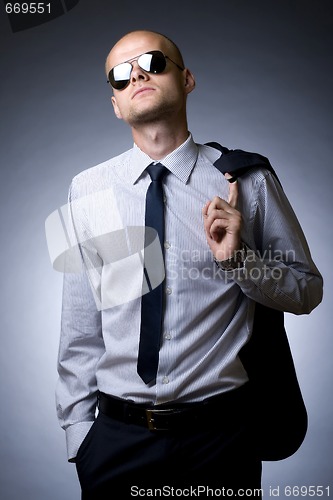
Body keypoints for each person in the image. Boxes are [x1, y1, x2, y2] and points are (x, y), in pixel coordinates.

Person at [55, 29, 323, 498]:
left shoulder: (246, 179)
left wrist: (241, 260)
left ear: (188, 79)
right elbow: (80, 325)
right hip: (117, 441)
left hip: (221, 438)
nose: (137, 73)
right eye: (120, 75)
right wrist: (81, 436)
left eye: (154, 62)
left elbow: (307, 291)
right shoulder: (85, 190)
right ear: (116, 104)